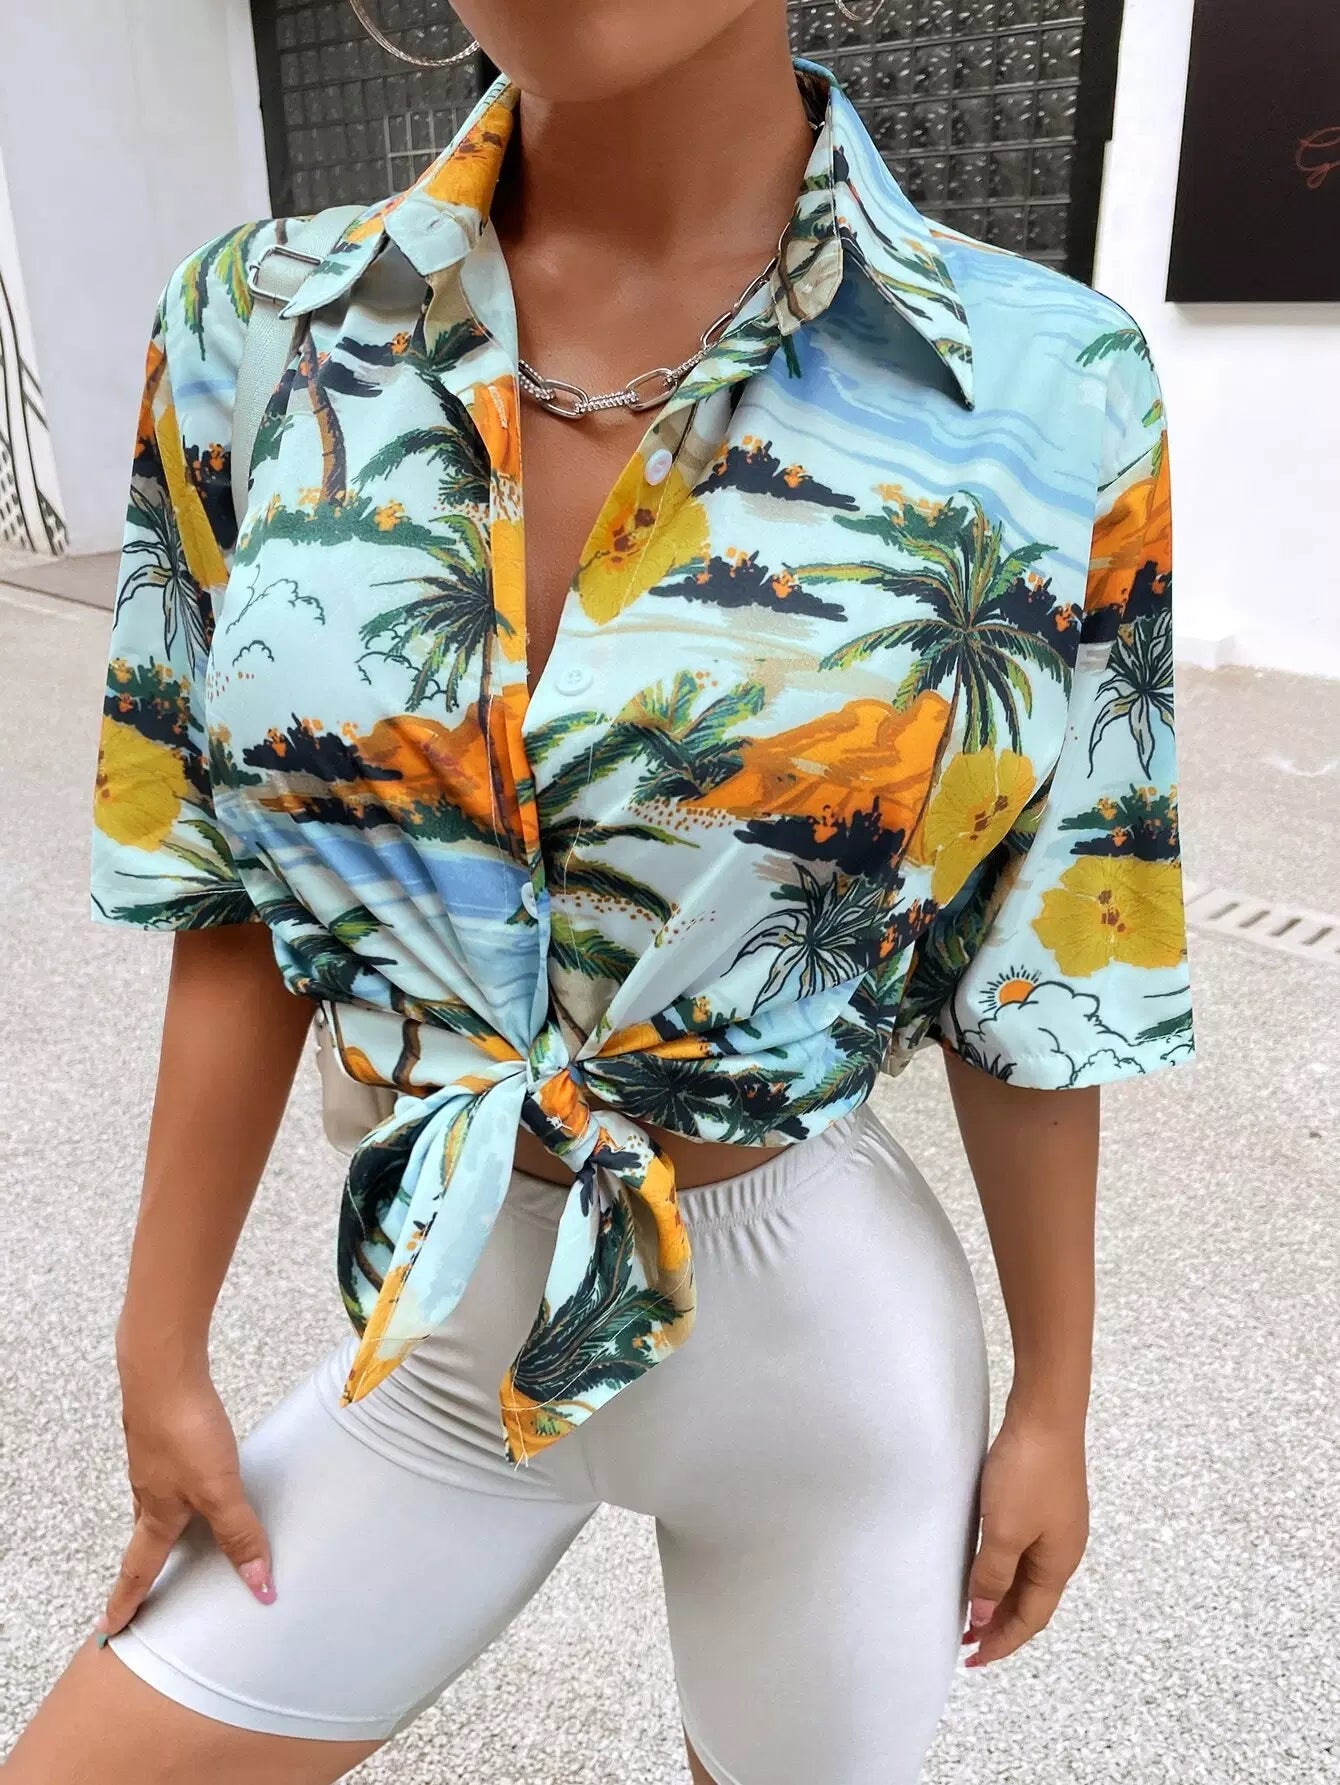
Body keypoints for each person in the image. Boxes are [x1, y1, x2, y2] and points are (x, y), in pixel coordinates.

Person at [6, 2, 1195, 1781]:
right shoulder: (258, 325)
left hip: (820, 1373)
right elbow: (233, 884)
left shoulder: (1049, 383)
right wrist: (156, 1339)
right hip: (442, 1335)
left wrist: (1054, 1401)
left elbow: (1046, 967)